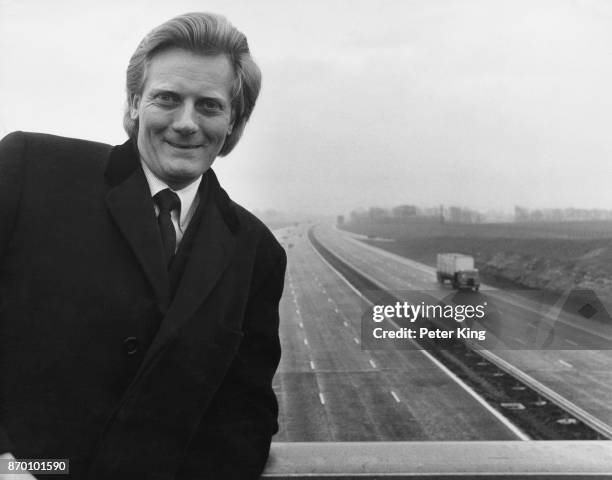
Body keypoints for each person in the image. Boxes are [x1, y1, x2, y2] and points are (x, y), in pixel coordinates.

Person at [0, 12, 285, 479]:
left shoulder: (258, 252)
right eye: (167, 99)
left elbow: (244, 417)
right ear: (134, 104)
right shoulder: (29, 170)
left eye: (209, 106)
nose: (186, 123)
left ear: (235, 121)